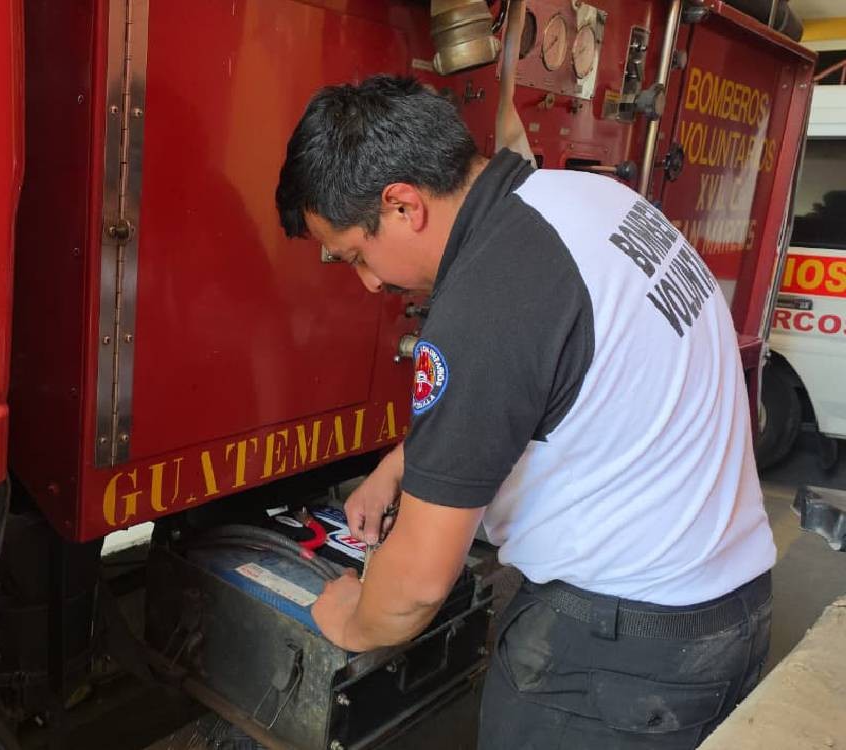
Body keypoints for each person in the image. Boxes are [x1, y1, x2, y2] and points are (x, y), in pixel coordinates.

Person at [275, 75, 775, 749]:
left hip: (619, 662)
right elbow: (562, 383)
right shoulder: (586, 203)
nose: (369, 283)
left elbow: (416, 587)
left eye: (357, 255)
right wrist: (405, 464)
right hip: (728, 608)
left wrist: (352, 617)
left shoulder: (489, 293)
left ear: (401, 205)